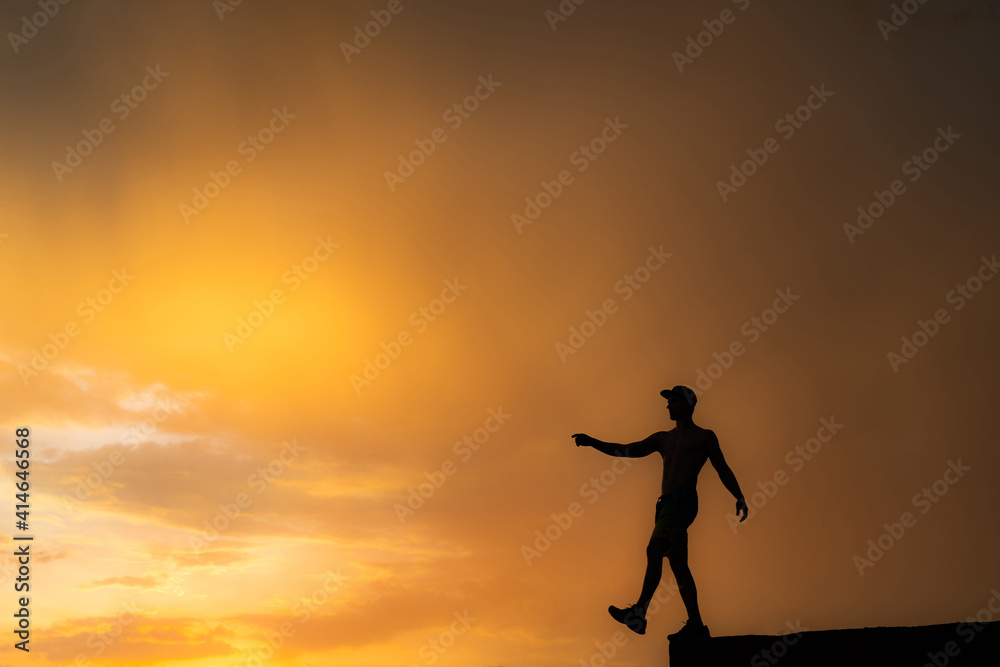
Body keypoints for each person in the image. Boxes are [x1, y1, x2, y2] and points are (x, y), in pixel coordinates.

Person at [572, 386, 748, 639]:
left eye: (673, 401)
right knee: (678, 565)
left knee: (654, 549)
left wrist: (738, 495)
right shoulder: (662, 438)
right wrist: (593, 442)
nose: (667, 406)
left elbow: (722, 468)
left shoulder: (704, 437)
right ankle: (696, 624)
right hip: (665, 505)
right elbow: (627, 450)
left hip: (683, 501)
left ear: (687, 405)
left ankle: (639, 611)